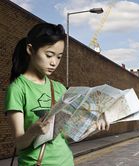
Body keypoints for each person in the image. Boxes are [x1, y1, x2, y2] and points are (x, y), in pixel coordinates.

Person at [5, 22, 109, 166]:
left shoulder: (59, 88)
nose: (54, 62)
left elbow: (65, 135)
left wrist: (94, 127)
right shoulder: (17, 89)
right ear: (30, 49)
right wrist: (33, 131)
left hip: (66, 161)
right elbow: (20, 143)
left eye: (59, 57)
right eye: (49, 55)